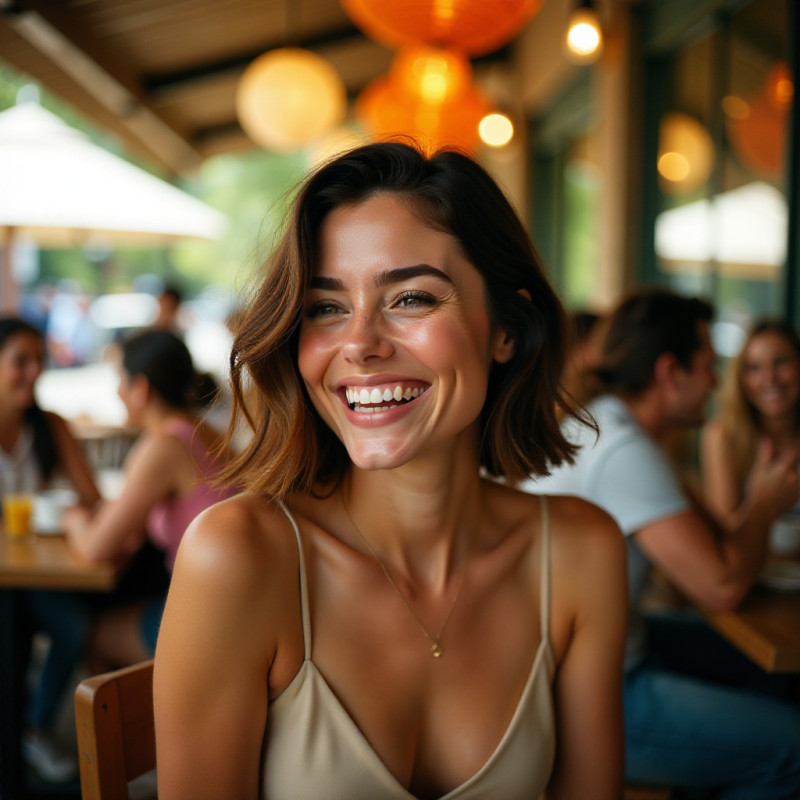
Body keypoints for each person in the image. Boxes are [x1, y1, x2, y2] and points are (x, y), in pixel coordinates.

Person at [153, 142, 627, 800]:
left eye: (410, 299)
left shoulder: (581, 553)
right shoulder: (240, 557)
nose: (361, 344)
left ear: (506, 329)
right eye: (326, 307)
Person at [523, 288, 800, 798]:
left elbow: (708, 547)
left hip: (606, 653)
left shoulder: (611, 425)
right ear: (671, 373)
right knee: (793, 749)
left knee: (773, 678)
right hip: (584, 691)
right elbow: (719, 588)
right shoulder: (622, 448)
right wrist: (763, 504)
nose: (718, 383)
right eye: (708, 366)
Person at [61, 329, 237, 669]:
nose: (117, 391)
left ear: (140, 388)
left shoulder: (165, 447)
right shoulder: (205, 430)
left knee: (88, 634)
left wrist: (74, 520)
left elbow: (94, 547)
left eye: (120, 379)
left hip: (211, 618)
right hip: (235, 603)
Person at [0, 317, 102, 782]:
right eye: (20, 361)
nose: (32, 372)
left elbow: (92, 498)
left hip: (40, 571)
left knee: (74, 627)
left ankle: (34, 728)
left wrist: (64, 506)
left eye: (38, 360)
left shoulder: (49, 426)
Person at [702, 319, 800, 555]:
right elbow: (723, 535)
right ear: (741, 379)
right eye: (754, 368)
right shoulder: (723, 436)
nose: (769, 379)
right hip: (754, 579)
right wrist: (762, 502)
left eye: (781, 363)